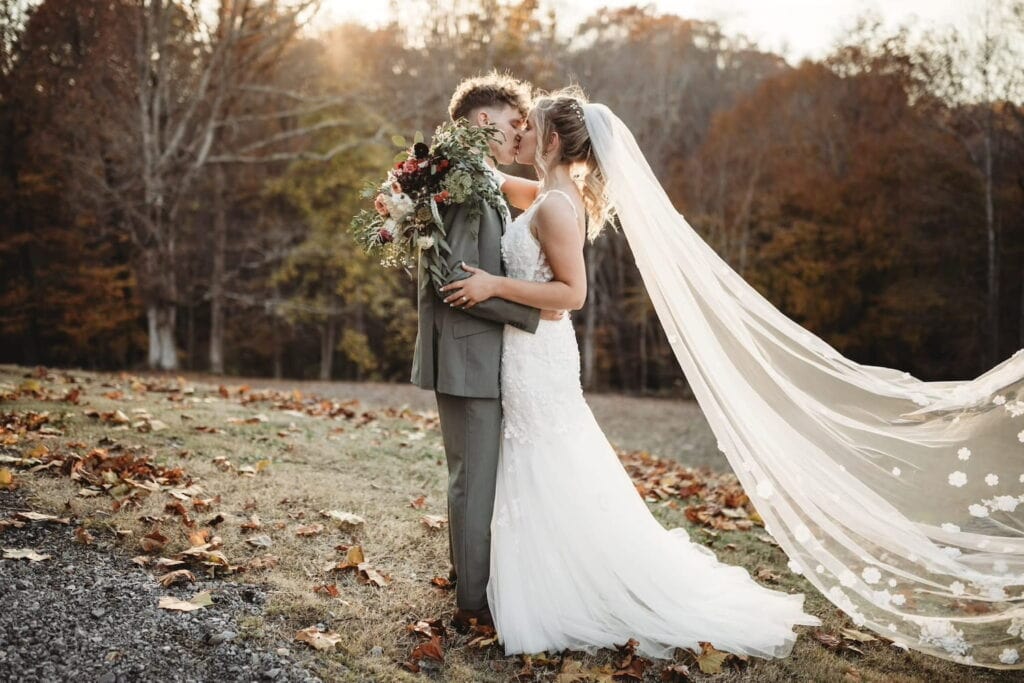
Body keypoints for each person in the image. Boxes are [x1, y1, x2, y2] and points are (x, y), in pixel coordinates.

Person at [439, 87, 821, 659]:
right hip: (526, 351)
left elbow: (571, 293)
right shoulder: (548, 194)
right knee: (537, 464)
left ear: (551, 139)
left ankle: (570, 586)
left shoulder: (556, 206)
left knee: (548, 459)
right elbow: (491, 184)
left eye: (529, 126)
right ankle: (534, 575)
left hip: (540, 353)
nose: (518, 133)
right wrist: (415, 187)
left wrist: (493, 284)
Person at [410, 71, 565, 634]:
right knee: (473, 481)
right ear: (481, 123)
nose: (518, 133)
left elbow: (538, 197)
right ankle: (472, 604)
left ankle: (469, 578)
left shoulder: (475, 175)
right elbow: (457, 280)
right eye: (510, 124)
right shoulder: (463, 181)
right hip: (469, 355)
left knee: (474, 476)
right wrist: (532, 312)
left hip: (475, 352)